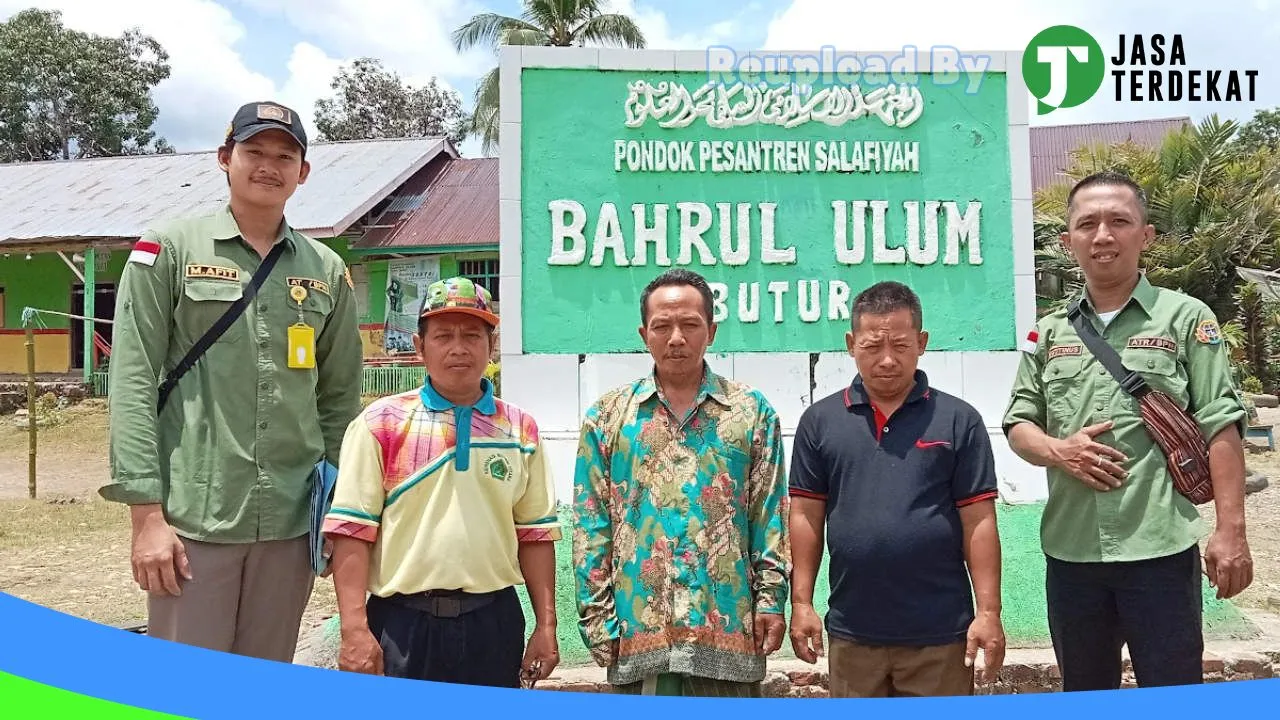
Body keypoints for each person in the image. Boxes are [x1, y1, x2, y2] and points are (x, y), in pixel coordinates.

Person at [101, 100, 364, 662]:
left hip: (291, 523)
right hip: (196, 515)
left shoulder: (326, 271)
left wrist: (340, 510)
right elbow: (131, 383)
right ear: (225, 158)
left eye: (284, 155)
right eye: (254, 152)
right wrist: (146, 518)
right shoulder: (168, 250)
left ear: (303, 171)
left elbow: (340, 400)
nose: (269, 165)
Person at [1002, 171, 1254, 690]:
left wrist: (1231, 530)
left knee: (1173, 689)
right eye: (1087, 223)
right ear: (1067, 239)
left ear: (1147, 234)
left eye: (1119, 221)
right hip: (1071, 555)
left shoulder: (1185, 318)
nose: (1103, 235)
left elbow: (1221, 423)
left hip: (1159, 551)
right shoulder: (1047, 331)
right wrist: (1059, 450)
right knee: (1085, 690)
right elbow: (1018, 422)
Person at [323, 277, 560, 688]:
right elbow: (352, 533)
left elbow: (535, 535)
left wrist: (546, 626)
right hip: (402, 624)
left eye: (472, 335)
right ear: (420, 347)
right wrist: (354, 629)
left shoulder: (519, 429)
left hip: (493, 622)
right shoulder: (381, 423)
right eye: (443, 335)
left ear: (491, 346)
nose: (458, 348)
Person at [572, 268, 790, 697]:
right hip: (639, 632)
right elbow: (590, 524)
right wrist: (597, 618)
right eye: (662, 326)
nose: (676, 338)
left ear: (711, 330)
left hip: (728, 627)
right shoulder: (608, 417)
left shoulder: (750, 412)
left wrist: (770, 601)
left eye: (690, 325)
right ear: (643, 333)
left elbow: (770, 516)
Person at [787, 281, 1006, 697]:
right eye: (872, 347)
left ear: (922, 343)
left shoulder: (959, 421)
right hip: (853, 633)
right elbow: (805, 516)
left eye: (901, 346)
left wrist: (989, 612)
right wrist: (802, 603)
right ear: (851, 344)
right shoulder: (820, 422)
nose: (886, 360)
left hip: (941, 635)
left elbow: (978, 520)